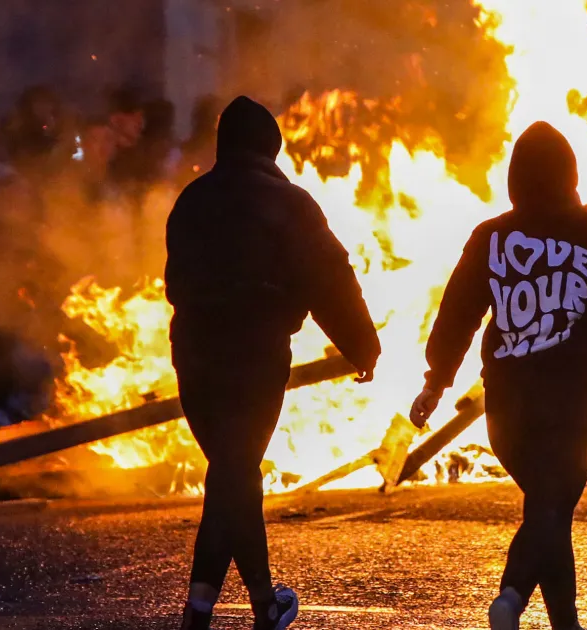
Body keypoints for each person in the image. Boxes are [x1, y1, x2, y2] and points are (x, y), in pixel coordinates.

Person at [166, 96, 381, 630]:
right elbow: (331, 278)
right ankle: (228, 609)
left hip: (193, 353)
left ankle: (248, 606)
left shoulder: (190, 200)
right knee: (236, 473)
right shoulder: (290, 203)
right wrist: (362, 346)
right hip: (255, 353)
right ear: (271, 148)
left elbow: (175, 285)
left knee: (232, 474)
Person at [409, 121, 587, 630]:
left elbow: (457, 313)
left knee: (548, 508)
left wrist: (436, 381)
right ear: (571, 175)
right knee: (551, 506)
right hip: (574, 403)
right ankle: (509, 598)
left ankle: (565, 624)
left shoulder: (490, 237)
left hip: (509, 407)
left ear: (513, 180)